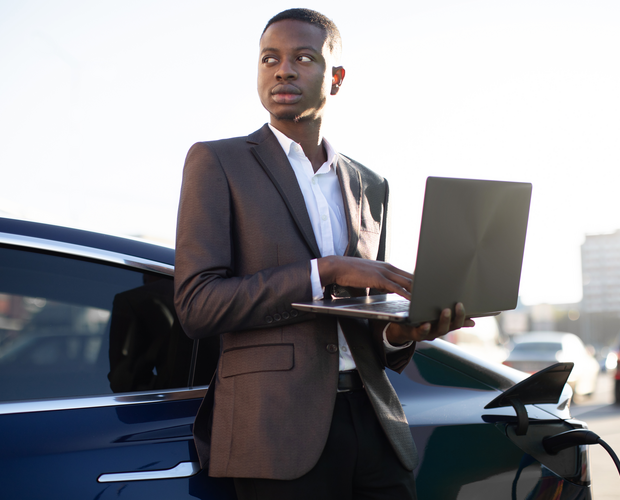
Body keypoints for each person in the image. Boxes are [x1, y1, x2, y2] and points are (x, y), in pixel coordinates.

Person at [174, 8, 473, 499]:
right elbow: (197, 305)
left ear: (335, 79)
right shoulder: (217, 162)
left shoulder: (370, 183)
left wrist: (404, 334)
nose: (282, 70)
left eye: (302, 58)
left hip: (375, 424)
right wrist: (327, 270)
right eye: (269, 58)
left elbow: (371, 327)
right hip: (276, 435)